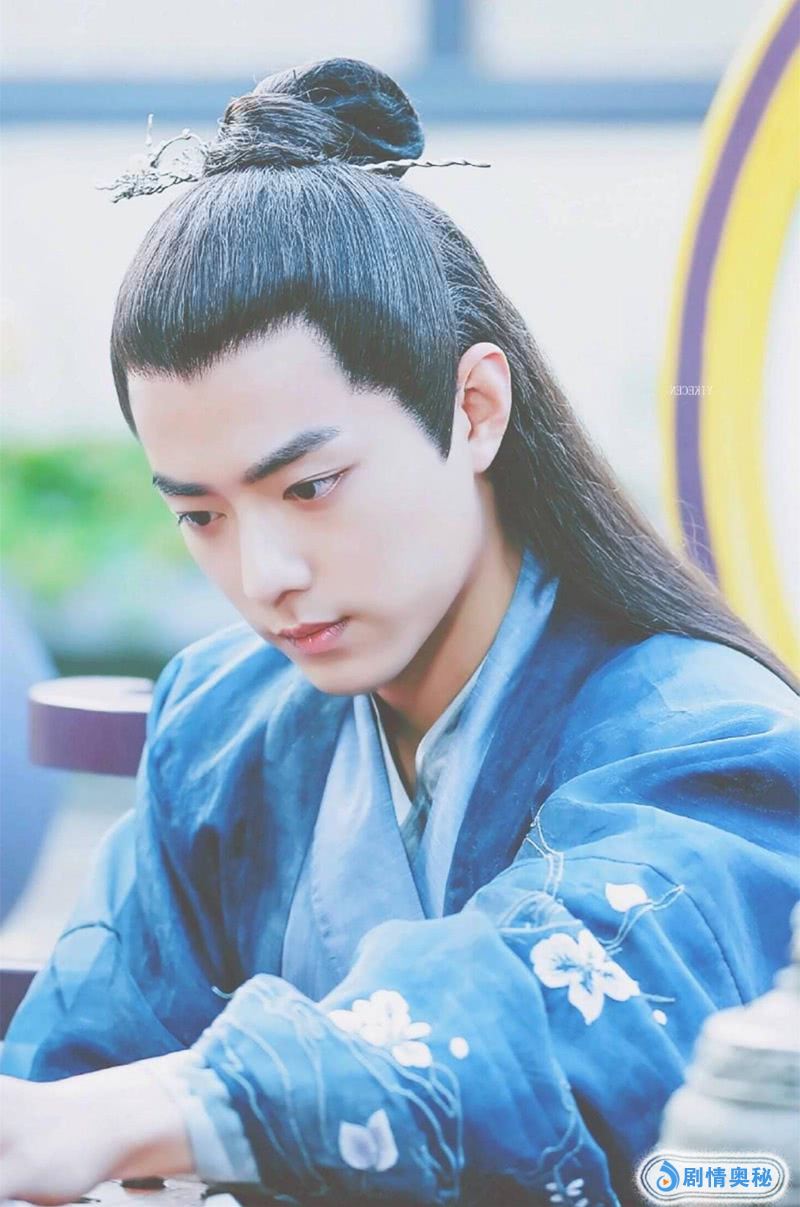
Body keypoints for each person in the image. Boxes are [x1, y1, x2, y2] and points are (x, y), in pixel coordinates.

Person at [1, 58, 797, 1207]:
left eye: (309, 487)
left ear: (472, 410)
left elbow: (546, 1007)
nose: (263, 575)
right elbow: (69, 1075)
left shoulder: (703, 741)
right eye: (201, 515)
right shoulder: (221, 727)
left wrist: (167, 1111)